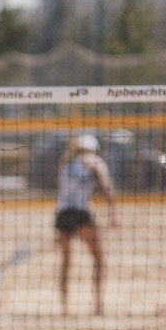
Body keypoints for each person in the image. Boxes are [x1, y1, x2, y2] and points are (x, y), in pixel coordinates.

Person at [55, 133, 117, 316]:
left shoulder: (66, 163)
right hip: (81, 213)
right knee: (99, 259)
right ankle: (98, 305)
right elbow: (107, 188)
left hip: (63, 214)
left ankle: (64, 308)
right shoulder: (94, 161)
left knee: (65, 262)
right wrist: (113, 215)